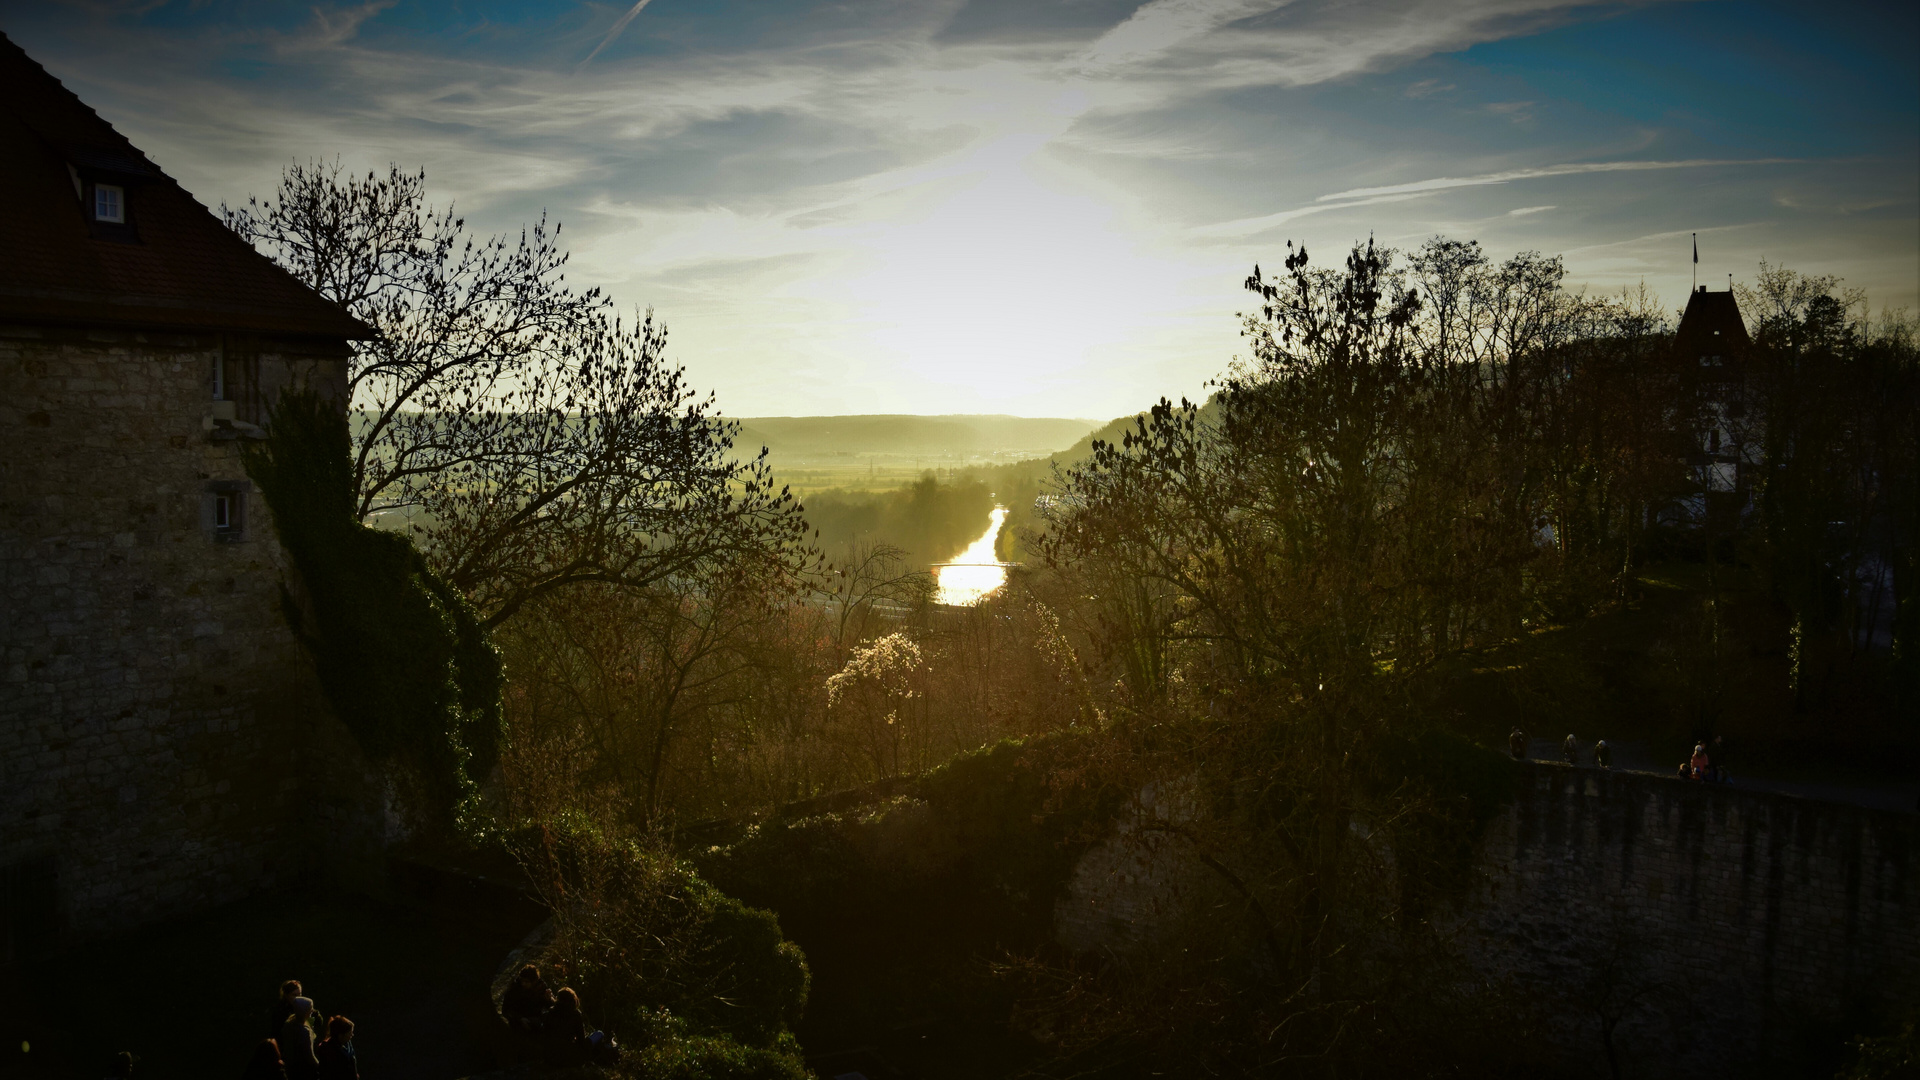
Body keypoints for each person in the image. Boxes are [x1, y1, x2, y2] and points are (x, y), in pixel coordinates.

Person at [501, 964, 555, 1035]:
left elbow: (550, 1007)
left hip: (536, 1021)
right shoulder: (514, 989)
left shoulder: (541, 988)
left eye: (526, 982)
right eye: (522, 981)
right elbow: (506, 1010)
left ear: (534, 982)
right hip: (518, 1023)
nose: (523, 984)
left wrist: (549, 999)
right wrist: (520, 1019)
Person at [543, 987, 588, 1064]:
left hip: (550, 1055)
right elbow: (581, 1038)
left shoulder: (550, 1013)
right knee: (599, 1034)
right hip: (568, 1055)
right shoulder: (575, 1014)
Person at [279, 998, 320, 1080]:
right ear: (304, 1011)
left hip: (290, 1067)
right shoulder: (304, 1031)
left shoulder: (289, 1023)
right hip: (304, 1070)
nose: (312, 1010)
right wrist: (319, 1066)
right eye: (310, 1008)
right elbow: (310, 1056)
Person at [316, 1016, 358, 1080]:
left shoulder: (347, 1044)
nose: (352, 1035)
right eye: (350, 1033)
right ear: (340, 1035)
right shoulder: (327, 1050)